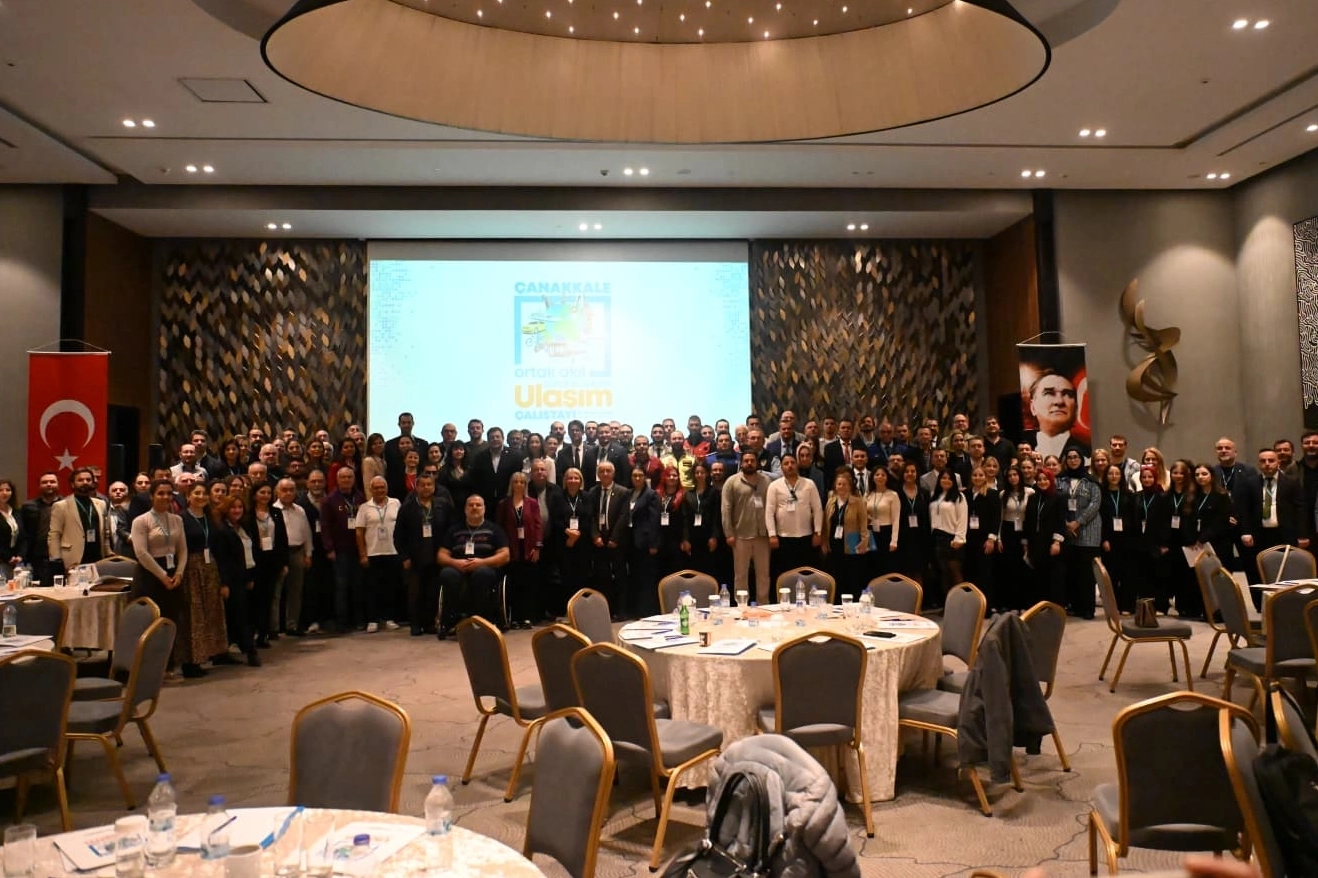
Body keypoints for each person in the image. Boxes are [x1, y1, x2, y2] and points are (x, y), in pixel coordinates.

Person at [130, 479, 187, 672]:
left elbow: (183, 549)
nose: (165, 497)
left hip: (173, 573)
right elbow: (141, 553)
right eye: (161, 493)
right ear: (151, 496)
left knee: (170, 620)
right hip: (150, 574)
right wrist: (162, 576)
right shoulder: (141, 521)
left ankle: (167, 664)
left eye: (169, 493)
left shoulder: (177, 520)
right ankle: (147, 668)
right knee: (150, 622)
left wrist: (179, 572)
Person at [437, 494, 510, 636]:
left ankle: (481, 620)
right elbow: (441, 555)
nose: (474, 508)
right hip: (458, 568)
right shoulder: (454, 530)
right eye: (470, 505)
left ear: (484, 509)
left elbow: (505, 555)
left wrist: (482, 563)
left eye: (478, 505)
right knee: (447, 574)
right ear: (465, 509)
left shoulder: (495, 529)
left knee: (482, 575)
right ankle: (453, 620)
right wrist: (454, 562)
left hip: (485, 568)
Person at [179, 480, 228, 678]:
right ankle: (191, 661)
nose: (201, 497)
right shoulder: (181, 518)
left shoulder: (210, 518)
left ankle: (209, 653)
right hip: (191, 568)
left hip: (210, 568)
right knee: (194, 615)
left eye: (204, 494)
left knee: (211, 613)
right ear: (188, 497)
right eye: (196, 493)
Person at [395, 472, 452, 637]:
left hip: (436, 554)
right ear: (417, 487)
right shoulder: (407, 508)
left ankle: (429, 623)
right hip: (415, 556)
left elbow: (450, 530)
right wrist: (404, 556)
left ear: (434, 487)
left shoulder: (443, 505)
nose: (426, 488)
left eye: (429, 485)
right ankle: (415, 624)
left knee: (432, 591)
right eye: (423, 485)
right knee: (415, 592)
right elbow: (398, 535)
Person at [210, 493, 260, 667]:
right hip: (231, 580)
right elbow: (221, 559)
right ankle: (250, 651)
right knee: (240, 616)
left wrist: (250, 577)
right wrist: (224, 583)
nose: (237, 510)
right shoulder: (221, 530)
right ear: (226, 509)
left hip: (246, 575)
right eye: (233, 507)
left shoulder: (244, 527)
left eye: (240, 507)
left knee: (246, 615)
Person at [722, 451, 772, 604]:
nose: (749, 463)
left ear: (757, 463)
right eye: (746, 461)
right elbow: (726, 508)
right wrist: (729, 533)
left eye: (752, 460)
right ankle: (741, 606)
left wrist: (772, 532)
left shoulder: (766, 481)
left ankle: (763, 606)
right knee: (741, 575)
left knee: (763, 575)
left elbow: (772, 507)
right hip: (740, 536)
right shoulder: (732, 482)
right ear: (741, 463)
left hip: (762, 535)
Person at [1056, 448, 1101, 618]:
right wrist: (1067, 524)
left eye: (1076, 457)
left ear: (1081, 459)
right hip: (1067, 530)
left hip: (1088, 530)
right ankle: (1074, 605)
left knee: (1086, 573)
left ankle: (1087, 608)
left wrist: (1078, 522)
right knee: (1072, 571)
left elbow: (1095, 504)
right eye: (1069, 457)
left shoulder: (1091, 481)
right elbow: (1056, 501)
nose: (1073, 460)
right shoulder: (1060, 479)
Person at [765, 452, 823, 584]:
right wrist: (772, 535)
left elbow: (818, 509)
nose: (790, 466)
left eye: (792, 462)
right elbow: (769, 512)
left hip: (806, 537)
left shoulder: (809, 484)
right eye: (786, 463)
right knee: (784, 576)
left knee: (806, 575)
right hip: (783, 538)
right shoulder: (774, 486)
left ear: (797, 465)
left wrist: (818, 532)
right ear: (781, 467)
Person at [496, 471, 543, 629]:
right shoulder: (504, 504)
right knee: (514, 584)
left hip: (529, 548)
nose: (519, 485)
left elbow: (538, 525)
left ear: (525, 485)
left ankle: (527, 617)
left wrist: (537, 547)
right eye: (516, 482)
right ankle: (514, 618)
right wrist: (503, 549)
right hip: (512, 549)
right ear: (511, 484)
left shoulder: (532, 503)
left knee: (528, 584)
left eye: (522, 482)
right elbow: (499, 527)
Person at [48, 467, 113, 582]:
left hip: (97, 557)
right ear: (72, 484)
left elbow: (105, 532)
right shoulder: (61, 506)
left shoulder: (101, 504)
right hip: (73, 558)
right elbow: (54, 535)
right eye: (80, 480)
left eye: (88, 480)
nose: (85, 482)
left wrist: (108, 552)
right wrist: (57, 561)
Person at [355, 475, 402, 633]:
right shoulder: (364, 508)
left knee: (391, 587)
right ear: (371, 490)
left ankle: (389, 618)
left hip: (393, 551)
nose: (379, 490)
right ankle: (373, 620)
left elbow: (403, 526)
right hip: (373, 553)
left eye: (382, 487)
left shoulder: (396, 503)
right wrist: (363, 554)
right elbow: (359, 533)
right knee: (372, 588)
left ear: (386, 488)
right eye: (376, 488)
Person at [321, 466, 365, 633]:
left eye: (349, 477)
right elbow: (325, 526)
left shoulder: (360, 497)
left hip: (358, 548)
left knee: (358, 585)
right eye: (343, 477)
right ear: (337, 480)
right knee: (341, 587)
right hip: (339, 550)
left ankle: (359, 620)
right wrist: (329, 548)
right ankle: (342, 622)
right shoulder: (329, 500)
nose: (346, 480)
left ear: (354, 479)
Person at [245, 482, 288, 647]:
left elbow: (282, 539)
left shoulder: (276, 513)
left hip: (272, 560)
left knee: (268, 599)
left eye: (269, 493)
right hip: (254, 560)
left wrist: (284, 563)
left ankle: (263, 634)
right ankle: (251, 634)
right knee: (253, 599)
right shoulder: (248, 515)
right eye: (262, 492)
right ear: (254, 494)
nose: (266, 496)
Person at [821, 468, 868, 600]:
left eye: (845, 484)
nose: (841, 487)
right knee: (836, 576)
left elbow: (863, 523)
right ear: (835, 486)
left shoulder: (857, 502)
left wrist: (864, 540)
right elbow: (825, 523)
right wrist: (824, 541)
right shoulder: (831, 502)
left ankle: (853, 604)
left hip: (852, 543)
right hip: (834, 544)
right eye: (839, 484)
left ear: (850, 486)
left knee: (852, 577)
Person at [273, 478, 312, 636]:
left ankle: (292, 624)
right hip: (279, 554)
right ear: (277, 492)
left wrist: (308, 554)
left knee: (296, 590)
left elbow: (307, 532)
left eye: (291, 490)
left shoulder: (300, 510)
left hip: (297, 552)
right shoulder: (273, 510)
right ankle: (274, 627)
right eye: (284, 490)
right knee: (276, 592)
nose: (288, 493)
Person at [590, 461, 629, 613]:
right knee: (602, 576)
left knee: (620, 576)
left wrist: (615, 537)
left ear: (613, 473)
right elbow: (590, 516)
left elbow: (624, 515)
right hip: (599, 540)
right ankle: (605, 610)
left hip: (616, 540)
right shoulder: (592, 492)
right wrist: (595, 535)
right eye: (602, 471)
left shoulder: (623, 492)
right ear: (598, 474)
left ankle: (621, 610)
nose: (605, 474)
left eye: (608, 471)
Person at [1024, 368, 1089, 460]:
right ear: (1033, 407)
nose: (1059, 401)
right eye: (1049, 393)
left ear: (1076, 407)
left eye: (1068, 394)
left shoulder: (1086, 453)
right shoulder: (1021, 449)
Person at [1024, 468, 1066, 609]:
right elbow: (1027, 521)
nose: (1042, 482)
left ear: (1051, 480)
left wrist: (1056, 542)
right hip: (1035, 542)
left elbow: (1061, 521)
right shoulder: (1033, 498)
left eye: (1045, 479)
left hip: (1051, 542)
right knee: (1037, 576)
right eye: (1039, 479)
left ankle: (1055, 609)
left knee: (1053, 577)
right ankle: (1038, 608)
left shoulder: (1059, 497)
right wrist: (1025, 543)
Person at [623, 466, 661, 618]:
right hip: (630, 541)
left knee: (646, 578)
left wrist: (653, 543)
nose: (637, 478)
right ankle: (635, 609)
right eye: (634, 475)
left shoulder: (651, 495)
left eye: (640, 475)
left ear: (645, 477)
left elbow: (655, 520)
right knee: (634, 576)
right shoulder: (628, 493)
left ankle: (647, 611)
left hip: (645, 542)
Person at [927, 469, 967, 609]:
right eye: (943, 478)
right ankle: (949, 606)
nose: (946, 480)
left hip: (952, 538)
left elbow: (963, 518)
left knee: (955, 572)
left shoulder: (959, 497)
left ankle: (962, 605)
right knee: (943, 573)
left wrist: (959, 538)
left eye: (949, 478)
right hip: (937, 538)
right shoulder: (935, 496)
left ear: (953, 481)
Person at [996, 466, 1033, 609]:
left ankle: (1024, 603)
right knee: (1009, 568)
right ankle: (1011, 603)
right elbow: (1000, 517)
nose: (1013, 478)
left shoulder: (1030, 492)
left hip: (1024, 530)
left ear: (1020, 476)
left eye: (1015, 474)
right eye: (1010, 475)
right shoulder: (1003, 494)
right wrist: (999, 538)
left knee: (1024, 567)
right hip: (1008, 530)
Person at [964, 466, 1000, 609]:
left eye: (980, 475)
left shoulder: (992, 494)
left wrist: (991, 539)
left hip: (985, 539)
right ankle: (972, 605)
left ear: (985, 477)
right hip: (969, 538)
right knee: (970, 571)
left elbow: (996, 518)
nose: (977, 478)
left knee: (984, 573)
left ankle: (986, 606)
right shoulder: (965, 494)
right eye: (975, 475)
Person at [682, 460, 723, 582]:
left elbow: (716, 516)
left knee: (710, 569)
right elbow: (685, 518)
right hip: (693, 536)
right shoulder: (688, 494)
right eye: (697, 473)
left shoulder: (714, 492)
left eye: (702, 472)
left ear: (707, 474)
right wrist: (685, 539)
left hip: (708, 535)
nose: (699, 475)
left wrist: (714, 536)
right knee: (694, 570)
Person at [470, 427, 525, 511]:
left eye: (497, 437)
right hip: (486, 502)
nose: (495, 439)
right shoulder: (480, 457)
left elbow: (518, 478)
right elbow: (477, 480)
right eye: (492, 437)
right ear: (488, 440)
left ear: (503, 438)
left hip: (509, 500)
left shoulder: (515, 456)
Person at [863, 466, 901, 582]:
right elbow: (863, 513)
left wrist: (894, 541)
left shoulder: (893, 495)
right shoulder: (868, 494)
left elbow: (896, 519)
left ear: (887, 478)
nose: (880, 477)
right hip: (871, 532)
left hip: (886, 533)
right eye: (877, 475)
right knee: (872, 565)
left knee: (886, 566)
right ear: (873, 477)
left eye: (883, 475)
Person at [895, 462, 931, 583]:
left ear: (917, 474)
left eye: (913, 471)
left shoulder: (924, 493)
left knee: (919, 572)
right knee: (905, 572)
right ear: (902, 474)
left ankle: (919, 595)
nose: (910, 474)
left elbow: (928, 517)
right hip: (902, 538)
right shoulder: (896, 493)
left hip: (920, 538)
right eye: (906, 471)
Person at [654, 465, 687, 580]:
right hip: (660, 539)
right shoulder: (657, 495)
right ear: (664, 477)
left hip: (676, 540)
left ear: (678, 478)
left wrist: (684, 539)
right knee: (660, 572)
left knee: (676, 572)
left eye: (675, 475)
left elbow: (685, 520)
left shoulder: (684, 495)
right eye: (669, 475)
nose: (672, 478)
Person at [0, 479, 26, 580]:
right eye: (1, 490)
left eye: (8, 490)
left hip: (15, 562)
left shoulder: (16, 512)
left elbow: (23, 537)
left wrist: (20, 555)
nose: (4, 493)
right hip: (2, 560)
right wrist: (8, 557)